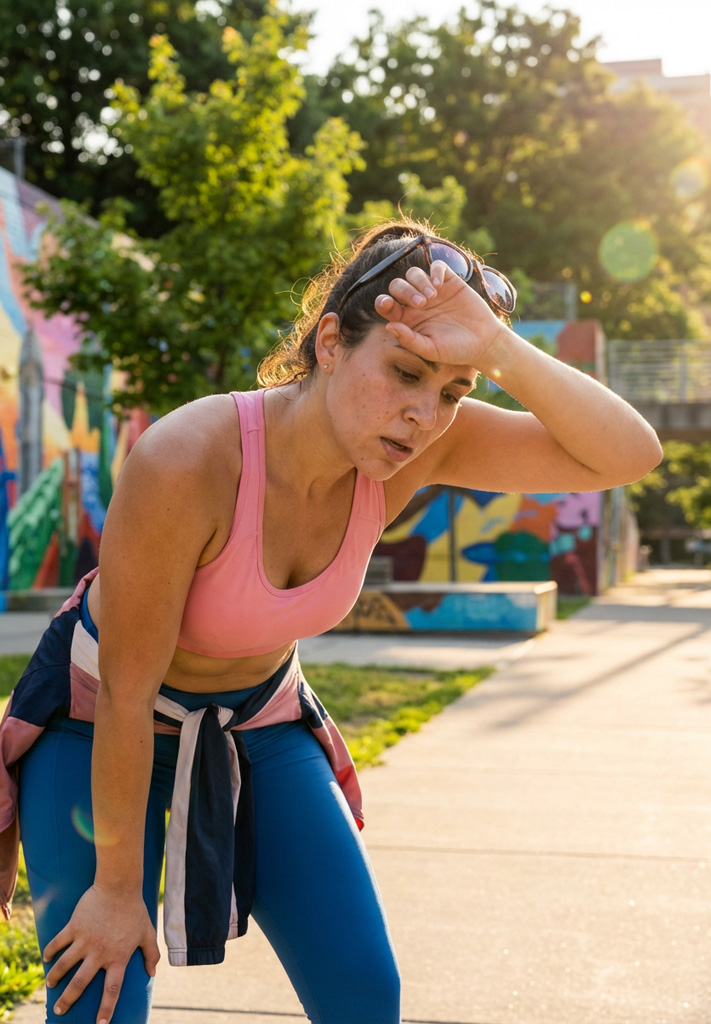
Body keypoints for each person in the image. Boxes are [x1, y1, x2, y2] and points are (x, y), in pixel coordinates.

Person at [0, 218, 662, 1024]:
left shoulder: (420, 448)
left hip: (260, 719)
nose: (423, 413)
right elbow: (127, 695)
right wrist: (114, 891)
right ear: (327, 343)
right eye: (405, 372)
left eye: (452, 392)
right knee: (98, 1002)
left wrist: (497, 348)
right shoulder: (190, 456)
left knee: (362, 995)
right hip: (97, 717)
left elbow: (628, 454)